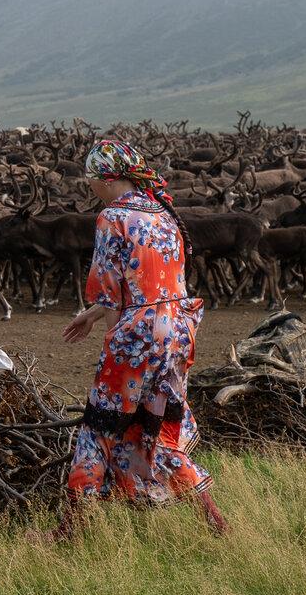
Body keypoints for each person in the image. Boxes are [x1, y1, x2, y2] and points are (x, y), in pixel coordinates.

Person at [45, 139, 227, 539]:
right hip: (178, 330)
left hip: (137, 336)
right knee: (158, 425)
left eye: (91, 178)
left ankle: (70, 530)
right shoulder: (162, 212)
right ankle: (215, 523)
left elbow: (112, 293)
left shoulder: (112, 217)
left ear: (106, 178)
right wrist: (92, 316)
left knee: (99, 426)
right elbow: (155, 285)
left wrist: (112, 337)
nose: (89, 186)